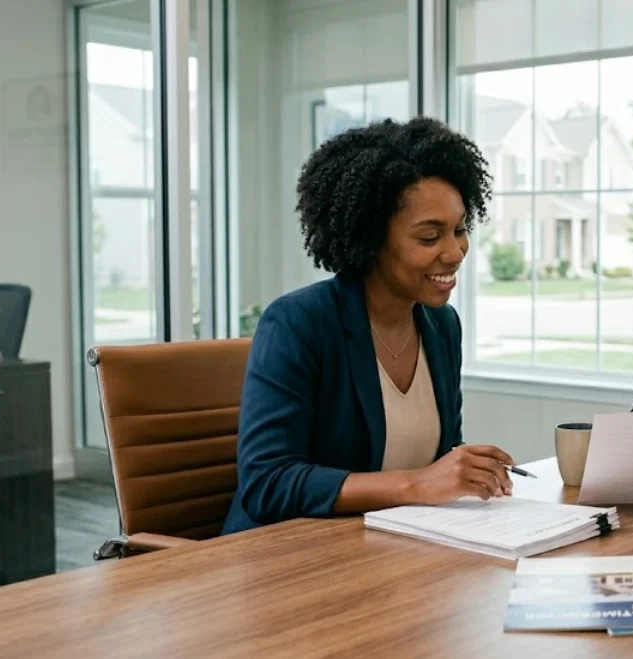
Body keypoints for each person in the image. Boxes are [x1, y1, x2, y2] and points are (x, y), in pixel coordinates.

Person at [221, 117, 517, 534]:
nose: (454, 252)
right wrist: (416, 483)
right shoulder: (298, 323)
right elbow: (268, 483)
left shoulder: (441, 324)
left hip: (385, 550)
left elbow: (441, 454)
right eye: (430, 238)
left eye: (460, 230)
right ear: (371, 239)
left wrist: (465, 472)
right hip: (286, 560)